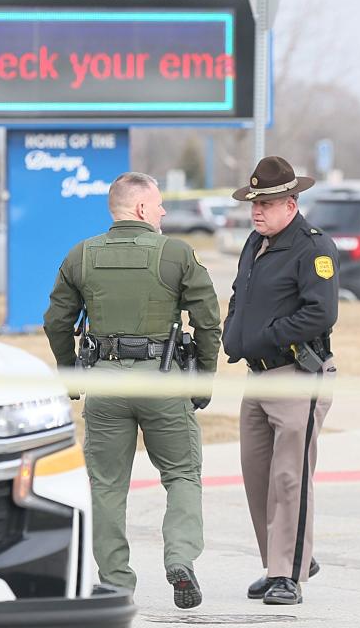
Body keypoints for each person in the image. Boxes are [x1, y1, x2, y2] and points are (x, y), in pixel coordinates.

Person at [43, 172, 221, 609]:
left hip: (105, 381)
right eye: (158, 204)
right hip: (162, 381)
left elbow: (56, 321)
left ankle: (116, 579)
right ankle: (179, 559)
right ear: (141, 208)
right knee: (181, 474)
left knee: (105, 484)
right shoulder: (176, 254)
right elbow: (209, 322)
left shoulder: (80, 255)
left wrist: (72, 374)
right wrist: (203, 377)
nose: (162, 212)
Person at [222, 156, 339, 606]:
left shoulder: (314, 248)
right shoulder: (256, 242)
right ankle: (283, 560)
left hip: (297, 376)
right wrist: (236, 336)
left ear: (291, 204)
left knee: (290, 478)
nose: (257, 210)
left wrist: (266, 336)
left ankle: (288, 573)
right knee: (257, 477)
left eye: (267, 203)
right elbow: (240, 296)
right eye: (254, 202)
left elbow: (321, 313)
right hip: (259, 376)